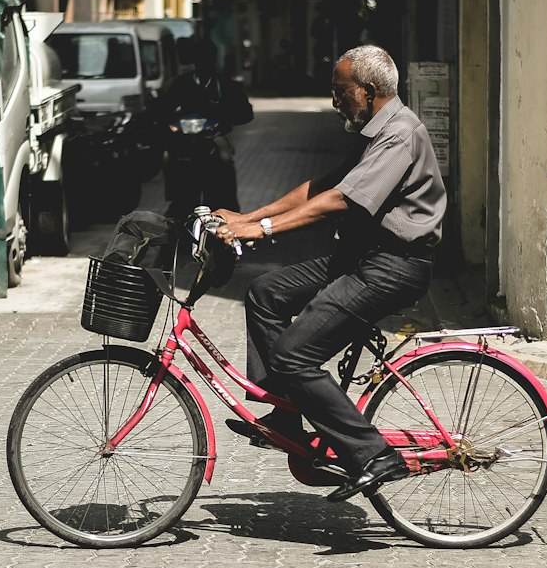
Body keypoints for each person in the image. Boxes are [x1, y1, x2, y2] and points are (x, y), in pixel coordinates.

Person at [212, 45, 446, 502]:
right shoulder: (373, 132)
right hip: (362, 257)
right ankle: (284, 416)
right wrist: (247, 217)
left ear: (369, 90)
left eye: (341, 91)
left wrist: (260, 229)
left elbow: (342, 201)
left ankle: (373, 455)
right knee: (265, 293)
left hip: (392, 266)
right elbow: (320, 187)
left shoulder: (399, 135)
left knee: (293, 355)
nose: (335, 99)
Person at [159, 37, 254, 214]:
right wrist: (171, 125)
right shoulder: (182, 83)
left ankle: (229, 205)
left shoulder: (226, 85)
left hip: (214, 136)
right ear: (195, 61)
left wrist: (223, 121)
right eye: (200, 58)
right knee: (167, 157)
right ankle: (175, 199)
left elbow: (246, 113)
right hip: (184, 139)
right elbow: (163, 110)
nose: (204, 62)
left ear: (214, 59)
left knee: (224, 157)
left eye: (208, 58)